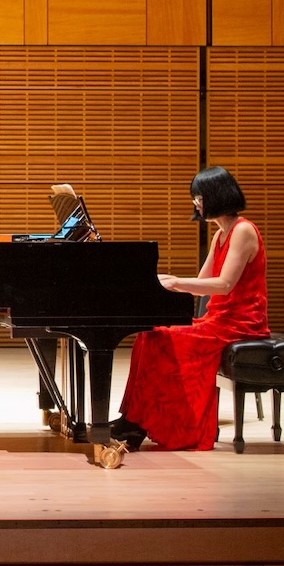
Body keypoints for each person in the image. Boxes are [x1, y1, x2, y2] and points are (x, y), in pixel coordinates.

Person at [111, 166, 268, 452]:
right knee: (149, 333)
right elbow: (202, 282)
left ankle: (147, 424)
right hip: (219, 319)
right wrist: (166, 280)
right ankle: (132, 418)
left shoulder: (243, 231)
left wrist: (176, 283)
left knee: (162, 340)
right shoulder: (220, 235)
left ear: (217, 195)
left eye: (199, 196)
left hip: (240, 323)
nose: (196, 202)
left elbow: (223, 285)